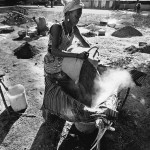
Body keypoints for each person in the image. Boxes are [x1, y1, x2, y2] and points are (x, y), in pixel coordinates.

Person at [41, 0, 118, 149]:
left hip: (65, 62)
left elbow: (84, 44)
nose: (79, 18)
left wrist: (94, 52)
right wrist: (77, 56)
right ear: (68, 14)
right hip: (52, 64)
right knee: (69, 86)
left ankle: (78, 105)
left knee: (82, 75)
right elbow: (54, 51)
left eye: (80, 15)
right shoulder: (57, 28)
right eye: (77, 15)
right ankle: (57, 108)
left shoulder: (74, 28)